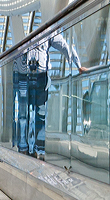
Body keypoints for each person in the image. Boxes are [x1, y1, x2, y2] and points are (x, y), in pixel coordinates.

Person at [13, 33, 85, 161]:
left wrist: (77, 64)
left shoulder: (48, 30)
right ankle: (23, 148)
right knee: (23, 114)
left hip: (41, 76)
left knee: (40, 113)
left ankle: (39, 150)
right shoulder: (19, 24)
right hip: (22, 75)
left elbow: (63, 45)